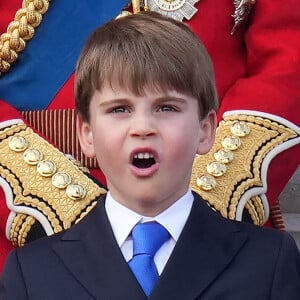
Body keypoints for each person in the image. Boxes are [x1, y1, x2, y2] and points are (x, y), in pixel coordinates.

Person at [1, 12, 300, 299]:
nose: (143, 128)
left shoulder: (270, 261)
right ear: (86, 134)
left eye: (166, 108)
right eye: (119, 109)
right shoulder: (30, 272)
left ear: (207, 129)